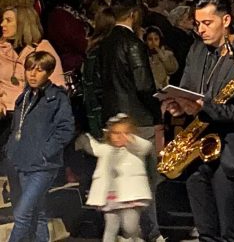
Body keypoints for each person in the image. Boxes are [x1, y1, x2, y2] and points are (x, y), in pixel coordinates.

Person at [162, 0, 234, 241]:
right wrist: (178, 106)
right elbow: (186, 88)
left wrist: (205, 108)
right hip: (195, 152)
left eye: (207, 23)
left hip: (229, 153)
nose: (201, 30)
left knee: (231, 232)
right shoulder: (196, 50)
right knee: (206, 232)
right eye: (198, 24)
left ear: (226, 20)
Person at [97, 0, 163, 242]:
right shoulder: (134, 44)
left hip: (112, 119)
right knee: (144, 179)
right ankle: (150, 231)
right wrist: (158, 111)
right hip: (138, 119)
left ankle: (125, 231)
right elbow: (144, 85)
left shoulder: (104, 43)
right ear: (134, 14)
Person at [5, 51, 75, 242]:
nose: (33, 74)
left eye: (39, 70)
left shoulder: (57, 97)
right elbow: (16, 128)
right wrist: (12, 151)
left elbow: (66, 129)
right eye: (29, 69)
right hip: (23, 162)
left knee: (22, 214)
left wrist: (46, 152)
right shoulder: (25, 96)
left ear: (49, 72)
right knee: (38, 212)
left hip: (43, 166)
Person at [76, 114, 153, 242]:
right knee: (111, 227)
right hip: (111, 196)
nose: (119, 137)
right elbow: (94, 148)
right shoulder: (106, 149)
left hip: (130, 196)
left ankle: (135, 238)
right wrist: (84, 137)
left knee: (130, 227)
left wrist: (131, 139)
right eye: (115, 133)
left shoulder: (135, 149)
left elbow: (146, 147)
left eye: (125, 133)